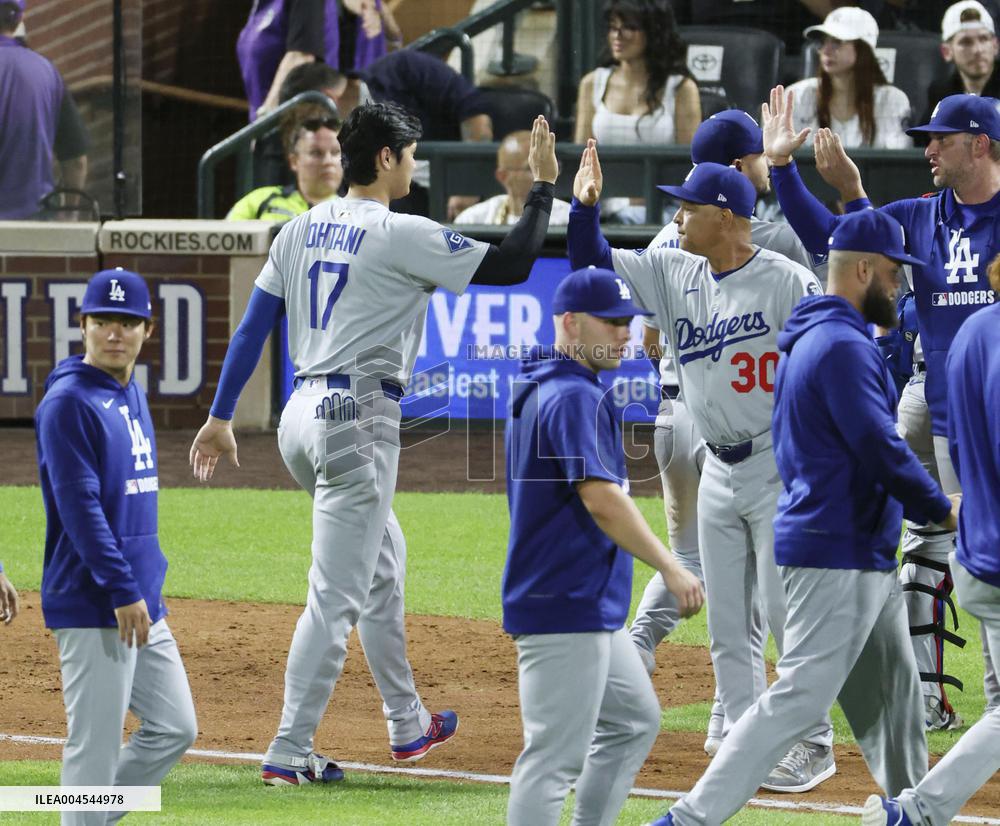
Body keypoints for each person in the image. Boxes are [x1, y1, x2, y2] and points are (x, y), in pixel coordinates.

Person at [189, 103, 559, 786]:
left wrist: (221, 416)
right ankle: (289, 750)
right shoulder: (400, 231)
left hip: (302, 414)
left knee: (383, 561)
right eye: (411, 154)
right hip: (357, 418)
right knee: (333, 598)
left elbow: (251, 328)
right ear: (385, 158)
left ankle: (407, 722)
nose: (415, 165)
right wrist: (541, 185)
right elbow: (512, 263)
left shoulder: (301, 226)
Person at [642, 210, 960, 826]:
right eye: (894, 274)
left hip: (855, 544)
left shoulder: (811, 337)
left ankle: (912, 811)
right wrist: (936, 506)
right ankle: (688, 817)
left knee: (895, 697)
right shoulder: (840, 346)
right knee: (796, 696)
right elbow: (879, 444)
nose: (899, 288)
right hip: (835, 550)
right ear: (864, 269)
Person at [569, 151, 837, 793]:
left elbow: (829, 356)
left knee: (782, 612)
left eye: (689, 206)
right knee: (727, 630)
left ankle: (816, 742)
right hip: (716, 464)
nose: (677, 215)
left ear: (727, 215)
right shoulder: (671, 267)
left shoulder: (785, 279)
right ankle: (747, 747)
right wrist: (583, 208)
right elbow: (594, 263)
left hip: (778, 463)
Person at [764, 86, 1000, 725]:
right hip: (952, 420)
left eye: (941, 139)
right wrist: (785, 170)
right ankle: (939, 699)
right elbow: (834, 241)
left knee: (948, 551)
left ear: (980, 144)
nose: (928, 148)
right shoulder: (923, 217)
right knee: (962, 551)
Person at [627, 108, 827, 761]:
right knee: (745, 581)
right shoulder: (758, 235)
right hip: (736, 423)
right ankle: (732, 718)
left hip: (671, 412)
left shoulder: (667, 239)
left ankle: (655, 664)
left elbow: (648, 336)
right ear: (741, 165)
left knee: (695, 558)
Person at [503, 267, 704, 826]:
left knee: (633, 720)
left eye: (629, 322)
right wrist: (671, 565)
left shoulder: (553, 384)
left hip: (582, 602)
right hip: (562, 601)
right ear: (570, 323)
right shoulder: (570, 395)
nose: (626, 333)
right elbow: (601, 498)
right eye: (612, 322)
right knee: (552, 759)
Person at [36, 268, 198, 825]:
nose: (115, 332)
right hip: (95, 600)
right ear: (82, 324)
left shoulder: (128, 389)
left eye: (127, 322)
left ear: (147, 330)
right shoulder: (69, 404)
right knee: (94, 748)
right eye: (103, 320)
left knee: (176, 726)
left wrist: (142, 584)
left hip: (141, 598)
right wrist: (122, 587)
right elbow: (80, 511)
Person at [861, 254, 1000, 826]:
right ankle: (916, 811)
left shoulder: (970, 333)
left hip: (977, 546)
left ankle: (915, 809)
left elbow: (961, 453)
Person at [304, 51, 494, 219]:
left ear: (328, 98)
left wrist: (468, 185)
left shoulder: (403, 69)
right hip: (403, 211)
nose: (309, 128)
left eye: (307, 117)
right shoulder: (334, 145)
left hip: (465, 190)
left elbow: (473, 111)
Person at [574, 0, 700, 223]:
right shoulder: (591, 83)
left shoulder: (681, 88)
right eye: (613, 28)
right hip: (602, 201)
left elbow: (688, 167)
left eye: (629, 28)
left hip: (661, 207)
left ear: (654, 33)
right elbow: (582, 156)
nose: (618, 36)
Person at [0, 0, 88, 220]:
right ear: (20, 18)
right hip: (34, 225)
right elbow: (76, 160)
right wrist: (70, 214)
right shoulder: (46, 72)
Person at [786, 7, 912, 149]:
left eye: (837, 42)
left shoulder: (893, 100)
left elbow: (897, 164)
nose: (826, 50)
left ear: (864, 48)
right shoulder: (796, 96)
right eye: (823, 42)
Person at [229, 110, 342, 222]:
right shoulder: (259, 200)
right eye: (316, 153)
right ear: (294, 161)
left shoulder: (356, 214)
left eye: (335, 152)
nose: (328, 161)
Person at [454, 130, 572, 225]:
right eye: (532, 168)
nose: (544, 175)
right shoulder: (474, 220)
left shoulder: (568, 219)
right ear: (503, 176)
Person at [921, 1, 1000, 125]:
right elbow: (924, 140)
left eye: (983, 39)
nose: (977, 50)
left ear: (995, 45)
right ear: (947, 51)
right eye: (966, 42)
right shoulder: (941, 93)